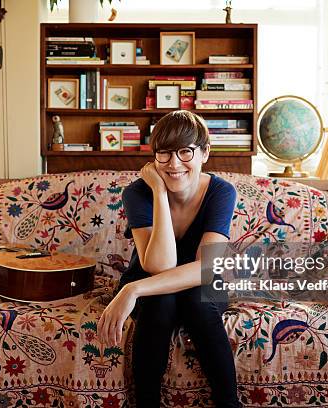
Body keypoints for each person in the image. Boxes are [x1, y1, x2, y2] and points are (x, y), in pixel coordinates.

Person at [97, 110, 240, 407]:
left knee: (196, 302)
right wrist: (159, 192)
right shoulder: (138, 193)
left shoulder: (221, 192)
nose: (174, 164)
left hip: (195, 282)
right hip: (151, 279)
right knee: (160, 303)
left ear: (205, 152)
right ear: (154, 158)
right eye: (164, 153)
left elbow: (206, 268)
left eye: (185, 152)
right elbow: (158, 266)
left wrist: (132, 290)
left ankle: (229, 404)